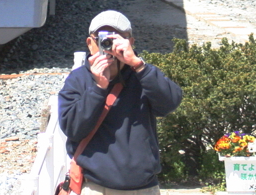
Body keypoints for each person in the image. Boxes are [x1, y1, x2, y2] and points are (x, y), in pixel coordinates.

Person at [58, 10, 183, 195]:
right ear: (90, 43)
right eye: (102, 38)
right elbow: (72, 128)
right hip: (95, 187)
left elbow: (170, 103)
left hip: (143, 187)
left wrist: (138, 65)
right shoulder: (79, 79)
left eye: (116, 38)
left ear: (130, 42)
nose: (108, 45)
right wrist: (98, 89)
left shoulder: (143, 74)